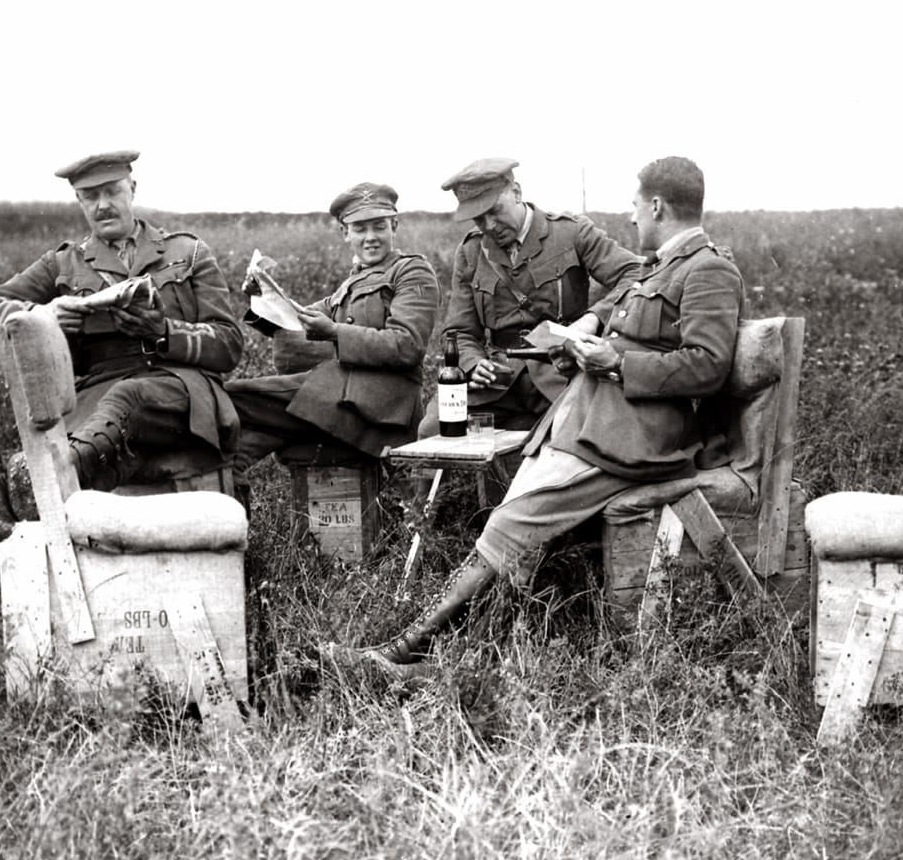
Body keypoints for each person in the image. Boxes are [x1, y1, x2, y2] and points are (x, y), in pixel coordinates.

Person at [331, 156, 744, 676]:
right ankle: (449, 637)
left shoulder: (690, 265)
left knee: (513, 518)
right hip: (592, 416)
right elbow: (459, 329)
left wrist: (604, 346)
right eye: (475, 219)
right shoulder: (666, 264)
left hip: (623, 432)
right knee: (496, 494)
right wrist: (480, 362)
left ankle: (413, 650)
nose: (631, 215)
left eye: (637, 206)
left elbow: (702, 363)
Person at [0, 150, 243, 492]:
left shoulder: (187, 252)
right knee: (106, 416)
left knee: (129, 397)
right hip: (97, 398)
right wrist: (43, 314)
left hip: (181, 392)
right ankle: (25, 493)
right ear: (79, 201)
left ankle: (46, 484)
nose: (102, 205)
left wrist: (164, 331)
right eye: (90, 196)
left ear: (132, 188)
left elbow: (228, 345)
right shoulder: (63, 264)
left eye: (112, 191)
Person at [225, 183, 439, 489]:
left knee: (229, 397)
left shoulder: (411, 272)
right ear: (345, 233)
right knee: (235, 449)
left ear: (395, 226)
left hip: (383, 406)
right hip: (343, 400)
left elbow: (407, 346)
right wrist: (264, 297)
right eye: (360, 229)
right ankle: (227, 523)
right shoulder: (352, 282)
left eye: (379, 227)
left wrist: (336, 332)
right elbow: (298, 319)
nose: (371, 237)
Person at [418, 157, 642, 436]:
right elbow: (459, 331)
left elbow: (636, 272)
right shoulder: (471, 251)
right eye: (479, 218)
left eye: (495, 211)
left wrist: (593, 318)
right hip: (500, 381)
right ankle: (431, 481)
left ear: (516, 193)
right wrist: (473, 363)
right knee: (432, 428)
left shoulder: (571, 232)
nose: (489, 225)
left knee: (589, 433)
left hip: (561, 370)